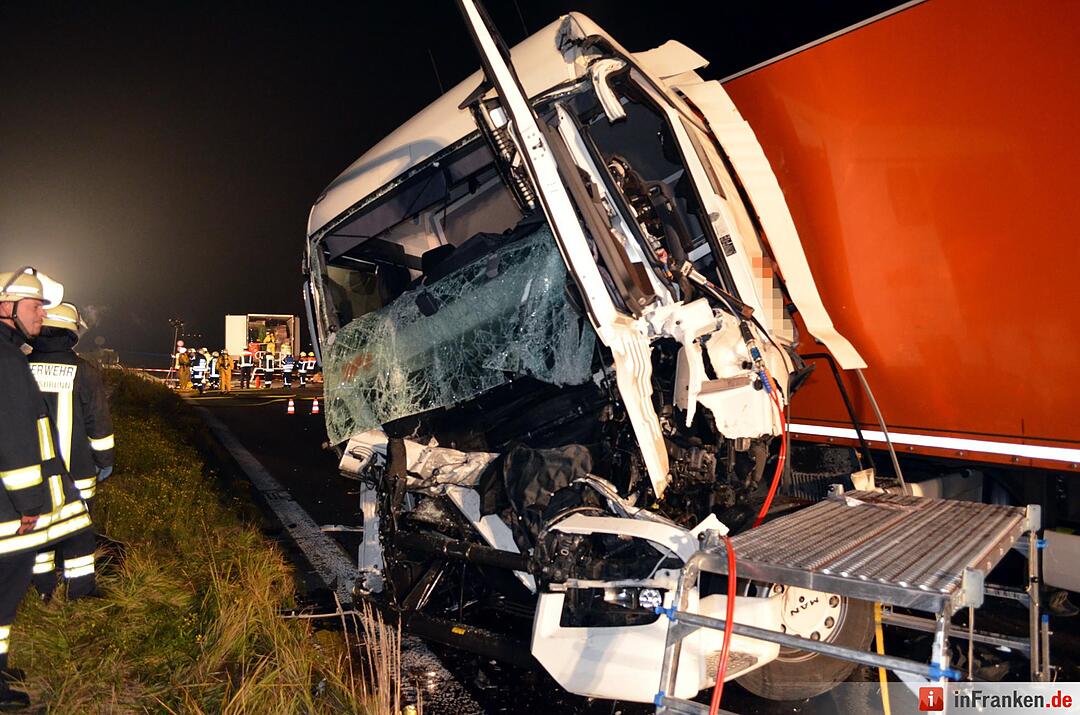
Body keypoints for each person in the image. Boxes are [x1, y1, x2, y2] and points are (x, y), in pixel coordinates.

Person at [0, 268, 94, 709]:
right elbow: (17, 438)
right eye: (35, 305)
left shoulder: (12, 355)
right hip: (11, 506)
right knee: (3, 595)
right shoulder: (6, 360)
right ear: (7, 308)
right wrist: (31, 503)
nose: (42, 313)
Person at [27, 302, 111, 601]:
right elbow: (97, 422)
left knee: (38, 532)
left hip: (30, 473)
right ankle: (81, 591)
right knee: (78, 533)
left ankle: (43, 590)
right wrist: (104, 460)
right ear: (72, 334)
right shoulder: (84, 371)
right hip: (77, 471)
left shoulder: (19, 368)